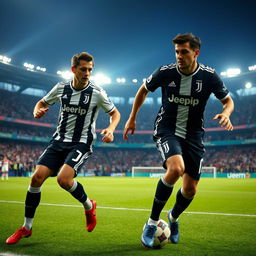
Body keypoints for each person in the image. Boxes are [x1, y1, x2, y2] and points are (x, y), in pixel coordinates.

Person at [123, 33, 234, 248]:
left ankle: (173, 218)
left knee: (190, 189)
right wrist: (132, 117)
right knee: (175, 169)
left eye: (184, 52)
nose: (179, 56)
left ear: (196, 53)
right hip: (167, 129)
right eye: (177, 52)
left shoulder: (209, 76)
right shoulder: (165, 72)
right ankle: (152, 222)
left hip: (193, 134)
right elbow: (143, 90)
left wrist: (226, 113)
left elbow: (228, 101)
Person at [6, 52, 121, 244]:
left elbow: (115, 113)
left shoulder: (97, 93)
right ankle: (26, 227)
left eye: (90, 70)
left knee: (64, 180)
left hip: (81, 142)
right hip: (58, 140)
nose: (87, 73)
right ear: (74, 69)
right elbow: (41, 102)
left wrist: (110, 129)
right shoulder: (61, 88)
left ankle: (88, 206)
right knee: (36, 178)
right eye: (83, 69)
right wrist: (37, 110)